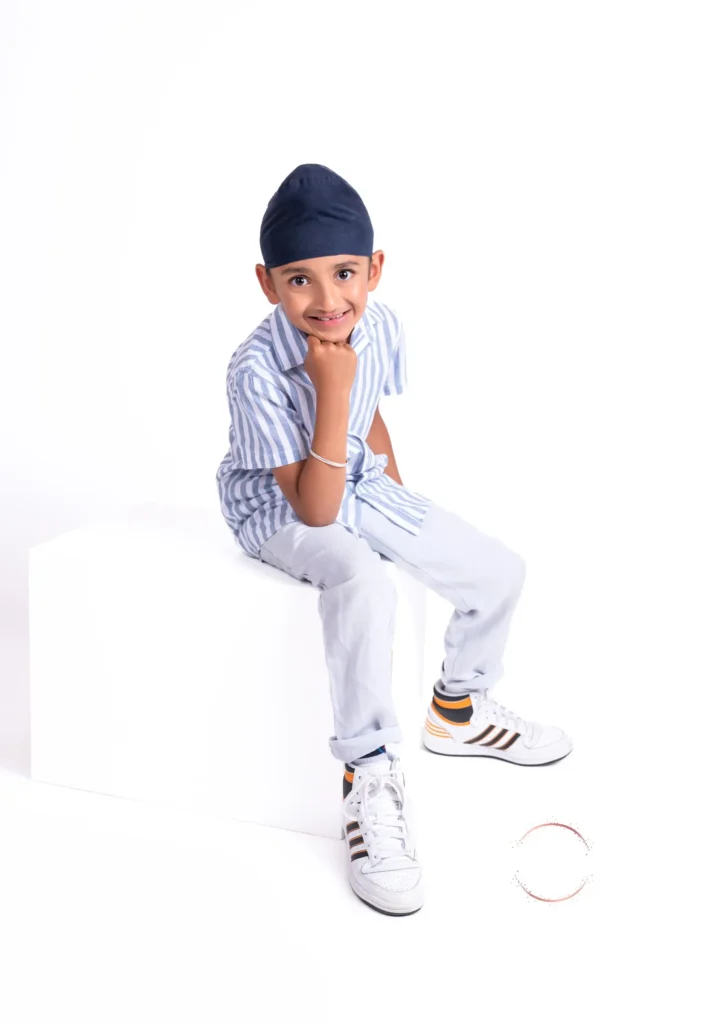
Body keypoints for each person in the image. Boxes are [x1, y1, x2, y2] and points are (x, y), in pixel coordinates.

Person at [216, 163, 572, 917]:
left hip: (353, 475)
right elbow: (313, 511)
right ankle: (368, 774)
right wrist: (332, 389)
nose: (326, 299)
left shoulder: (378, 325)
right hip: (282, 505)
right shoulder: (254, 368)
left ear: (375, 269)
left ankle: (459, 710)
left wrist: (403, 509)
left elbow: (370, 415)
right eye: (298, 281)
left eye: (344, 273)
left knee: (498, 571)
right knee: (363, 580)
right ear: (266, 284)